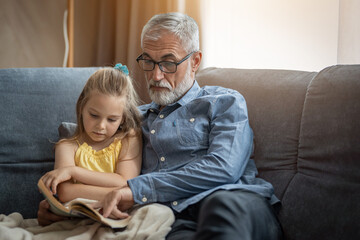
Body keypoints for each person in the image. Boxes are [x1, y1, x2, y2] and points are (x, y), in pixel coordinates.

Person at [38, 12, 283, 239]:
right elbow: (91, 150)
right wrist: (61, 205)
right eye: (149, 61)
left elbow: (224, 167)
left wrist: (137, 190)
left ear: (195, 61)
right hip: (169, 218)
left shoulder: (225, 102)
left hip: (231, 201)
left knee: (222, 209)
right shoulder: (131, 120)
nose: (155, 76)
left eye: (168, 63)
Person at [39, 64, 142, 221]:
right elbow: (65, 192)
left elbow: (125, 182)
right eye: (94, 115)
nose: (101, 126)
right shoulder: (67, 147)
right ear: (81, 107)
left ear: (123, 118)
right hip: (80, 218)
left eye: (112, 119)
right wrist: (117, 194)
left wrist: (73, 172)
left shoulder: (129, 139)